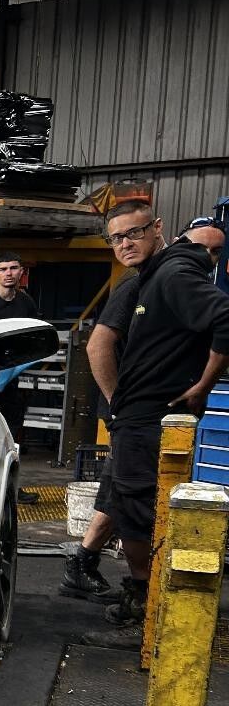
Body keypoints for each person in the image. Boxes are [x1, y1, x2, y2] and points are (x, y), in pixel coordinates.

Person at [74, 203, 229, 645]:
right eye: (116, 238)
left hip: (148, 417)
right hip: (141, 415)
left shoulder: (173, 273)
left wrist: (203, 385)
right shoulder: (150, 276)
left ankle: (147, 611)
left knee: (139, 512)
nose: (125, 244)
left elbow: (225, 318)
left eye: (135, 233)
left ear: (158, 228)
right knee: (130, 504)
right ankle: (138, 595)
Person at [0, 253, 42, 503]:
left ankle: (11, 487)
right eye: (3, 269)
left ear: (21, 272)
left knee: (10, 433)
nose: (8, 273)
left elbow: (33, 338)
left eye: (13, 268)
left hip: (11, 379)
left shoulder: (26, 303)